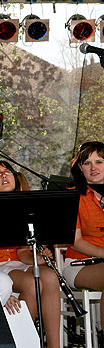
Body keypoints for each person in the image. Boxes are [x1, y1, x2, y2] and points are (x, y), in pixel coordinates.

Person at [0, 160, 60, 348]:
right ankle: (19, 341)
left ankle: (54, 345)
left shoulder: (23, 210)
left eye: (7, 172)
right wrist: (0, 291)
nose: (4, 176)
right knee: (31, 282)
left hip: (15, 264)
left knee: (50, 276)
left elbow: (21, 253)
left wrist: (38, 258)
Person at [62, 141, 104, 337]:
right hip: (78, 264)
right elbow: (75, 241)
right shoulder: (73, 196)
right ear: (80, 167)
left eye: (99, 161)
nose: (94, 168)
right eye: (87, 163)